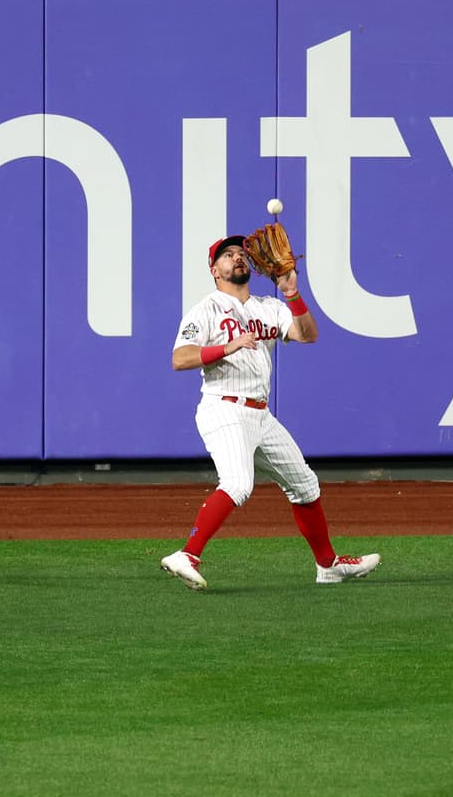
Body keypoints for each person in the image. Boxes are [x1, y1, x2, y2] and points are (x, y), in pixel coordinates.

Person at [160, 235, 381, 590]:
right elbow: (180, 358)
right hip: (224, 408)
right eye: (227, 255)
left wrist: (292, 293)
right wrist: (227, 346)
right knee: (237, 484)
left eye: (240, 254)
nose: (237, 258)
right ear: (214, 270)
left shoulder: (269, 306)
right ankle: (187, 554)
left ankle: (328, 566)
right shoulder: (207, 310)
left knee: (305, 486)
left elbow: (308, 335)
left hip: (260, 415)